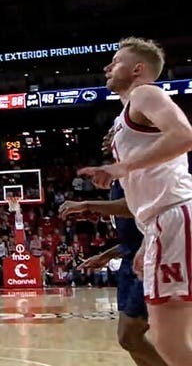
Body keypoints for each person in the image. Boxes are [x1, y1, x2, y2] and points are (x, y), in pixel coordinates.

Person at [78, 37, 192, 366]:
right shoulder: (125, 116)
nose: (107, 67)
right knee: (167, 338)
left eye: (115, 61)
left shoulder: (146, 92)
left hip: (173, 216)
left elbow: (185, 135)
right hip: (160, 223)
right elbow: (152, 183)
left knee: (168, 340)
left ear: (137, 69)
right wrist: (146, 240)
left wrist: (121, 167)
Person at [60, 181, 166, 366]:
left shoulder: (137, 172)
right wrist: (104, 256)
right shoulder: (115, 184)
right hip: (130, 262)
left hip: (154, 258)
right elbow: (131, 241)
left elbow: (136, 205)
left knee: (131, 335)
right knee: (130, 341)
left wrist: (86, 204)